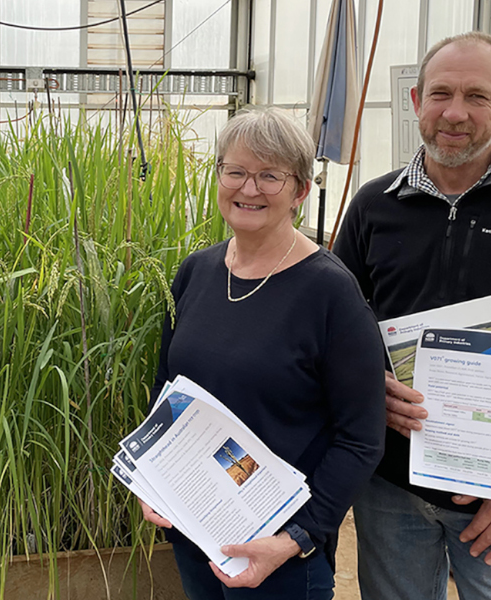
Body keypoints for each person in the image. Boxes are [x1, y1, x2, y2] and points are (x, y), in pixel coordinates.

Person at [332, 31, 491, 600]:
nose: (455, 113)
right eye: (441, 94)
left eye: (477, 96)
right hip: (391, 487)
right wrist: (366, 386)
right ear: (416, 102)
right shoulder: (374, 206)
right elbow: (336, 329)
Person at [142, 107, 386, 599]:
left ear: (300, 191)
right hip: (198, 528)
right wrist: (156, 484)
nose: (249, 189)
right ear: (218, 177)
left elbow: (361, 438)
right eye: (235, 171)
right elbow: (167, 389)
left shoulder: (330, 293)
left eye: (270, 176)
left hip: (281, 551)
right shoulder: (197, 272)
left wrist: (296, 538)